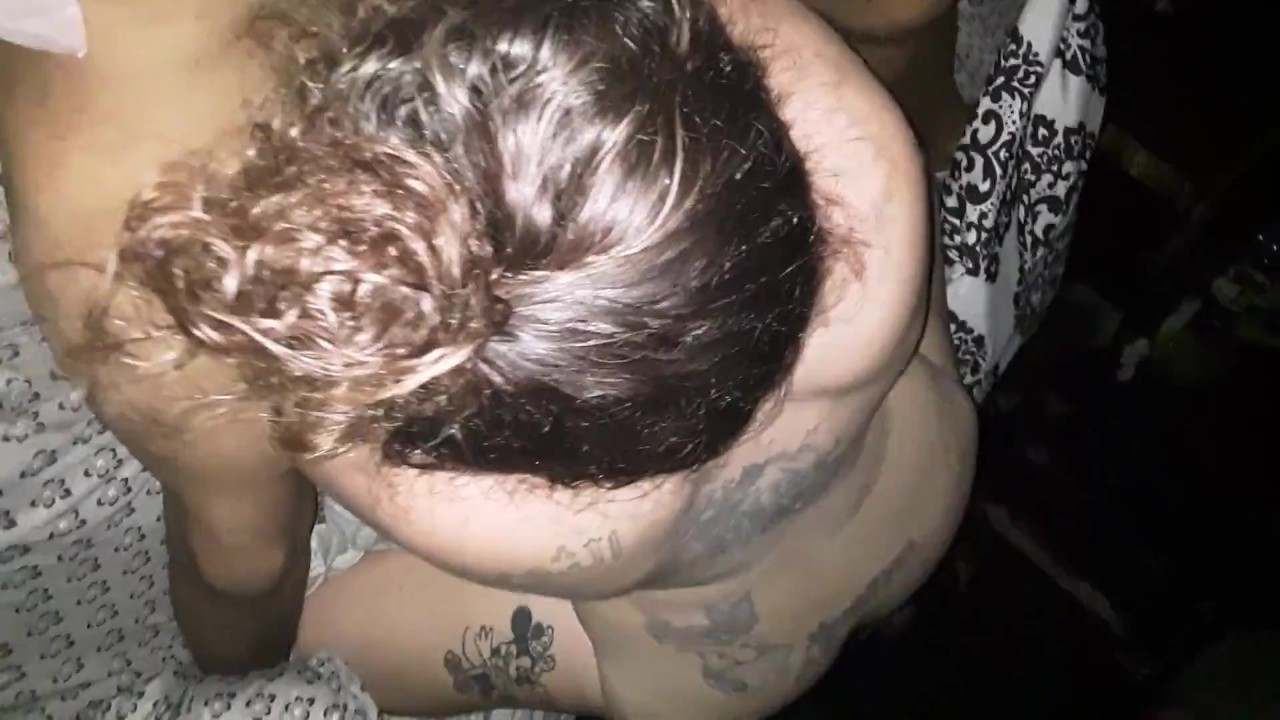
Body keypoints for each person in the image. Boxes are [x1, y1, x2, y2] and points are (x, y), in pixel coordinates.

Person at [0, 0, 1100, 717]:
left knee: (306, 646)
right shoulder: (863, 162)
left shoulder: (491, 518)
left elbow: (247, 531)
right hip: (919, 481)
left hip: (682, 672)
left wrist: (231, 655)